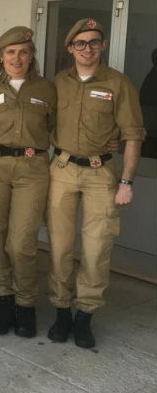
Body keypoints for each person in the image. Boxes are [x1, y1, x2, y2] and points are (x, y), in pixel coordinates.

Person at [47, 18, 145, 348]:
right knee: (60, 245)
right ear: (70, 48)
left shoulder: (119, 83)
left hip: (100, 173)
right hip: (62, 168)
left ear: (102, 46)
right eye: (80, 43)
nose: (86, 48)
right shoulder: (59, 82)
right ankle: (61, 310)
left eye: (93, 42)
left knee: (96, 247)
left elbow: (133, 135)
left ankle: (85, 315)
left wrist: (126, 181)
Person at [0, 26, 56, 338]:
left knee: (22, 243)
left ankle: (25, 304)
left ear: (31, 55)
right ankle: (4, 301)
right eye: (10, 52)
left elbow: (59, 128)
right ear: (1, 56)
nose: (17, 57)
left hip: (32, 168)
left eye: (23, 52)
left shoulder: (47, 89)